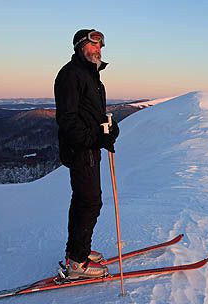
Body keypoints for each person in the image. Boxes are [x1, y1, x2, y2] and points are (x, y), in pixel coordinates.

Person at [54, 29, 119, 278]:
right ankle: (77, 263)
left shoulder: (90, 75)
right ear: (80, 46)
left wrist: (109, 128)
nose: (98, 50)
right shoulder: (71, 75)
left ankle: (77, 250)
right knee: (90, 202)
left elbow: (92, 113)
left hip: (89, 147)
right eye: (93, 46)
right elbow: (68, 120)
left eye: (101, 46)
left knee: (83, 200)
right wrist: (96, 138)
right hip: (81, 149)